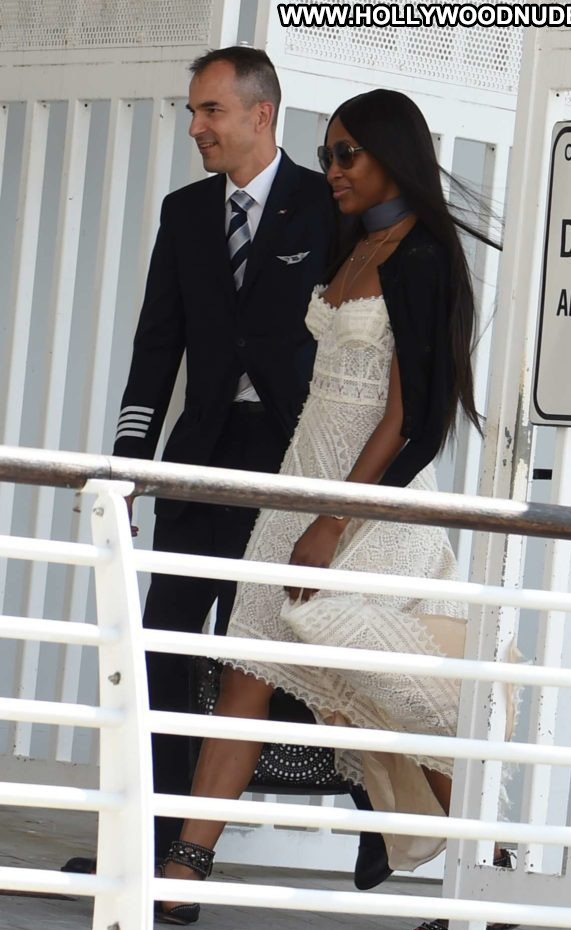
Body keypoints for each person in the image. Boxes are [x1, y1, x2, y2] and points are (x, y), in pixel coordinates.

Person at [155, 87, 512, 926]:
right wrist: (300, 501)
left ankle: (490, 862)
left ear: (394, 154)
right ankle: (183, 870)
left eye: (347, 154)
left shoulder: (423, 256)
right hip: (301, 482)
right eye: (326, 156)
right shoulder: (353, 243)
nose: (332, 170)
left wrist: (334, 518)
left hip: (370, 499)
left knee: (369, 670)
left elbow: (408, 417)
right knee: (245, 670)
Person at [62, 46, 387, 884]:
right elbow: (156, 346)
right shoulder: (184, 212)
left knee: (297, 655)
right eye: (193, 111)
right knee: (165, 649)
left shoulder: (328, 206)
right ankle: (153, 845)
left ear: (260, 113)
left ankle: (382, 816)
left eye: (210, 110)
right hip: (200, 462)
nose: (196, 127)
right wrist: (129, 465)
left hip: (293, 464)